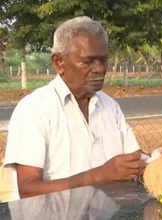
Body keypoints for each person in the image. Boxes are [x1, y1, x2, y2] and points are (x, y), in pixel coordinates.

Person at [4, 16, 146, 198]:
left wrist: (159, 159)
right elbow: (28, 190)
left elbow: (135, 159)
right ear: (59, 62)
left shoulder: (110, 106)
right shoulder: (34, 110)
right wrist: (99, 175)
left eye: (103, 60)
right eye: (88, 61)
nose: (99, 69)